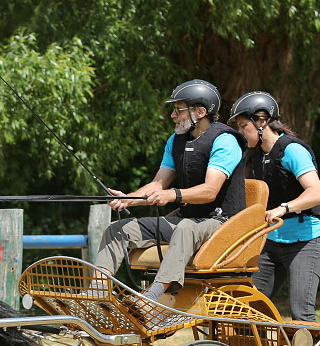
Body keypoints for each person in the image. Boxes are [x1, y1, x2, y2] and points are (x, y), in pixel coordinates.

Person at [96, 79, 246, 301]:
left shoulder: (225, 141)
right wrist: (128, 199)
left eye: (179, 110)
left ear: (201, 111)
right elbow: (158, 184)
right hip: (188, 219)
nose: (172, 116)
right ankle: (96, 293)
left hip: (222, 223)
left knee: (185, 227)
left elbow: (210, 191)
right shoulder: (175, 141)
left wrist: (172, 195)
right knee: (117, 229)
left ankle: (153, 297)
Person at [229, 91, 320, 322]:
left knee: (301, 313)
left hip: (306, 240)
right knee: (247, 310)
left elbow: (317, 193)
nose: (241, 133)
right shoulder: (259, 155)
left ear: (262, 122)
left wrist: (283, 208)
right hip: (273, 242)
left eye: (244, 126)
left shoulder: (292, 150)